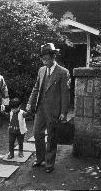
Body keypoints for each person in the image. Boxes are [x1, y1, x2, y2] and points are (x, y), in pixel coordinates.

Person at [26, 43, 70, 173]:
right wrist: (30, 102)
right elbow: (36, 88)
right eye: (42, 57)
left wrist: (63, 112)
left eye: (46, 57)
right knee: (37, 133)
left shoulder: (63, 72)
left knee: (51, 136)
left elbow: (65, 94)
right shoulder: (41, 70)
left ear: (53, 56)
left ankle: (49, 163)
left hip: (54, 110)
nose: (44, 60)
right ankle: (40, 159)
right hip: (40, 109)